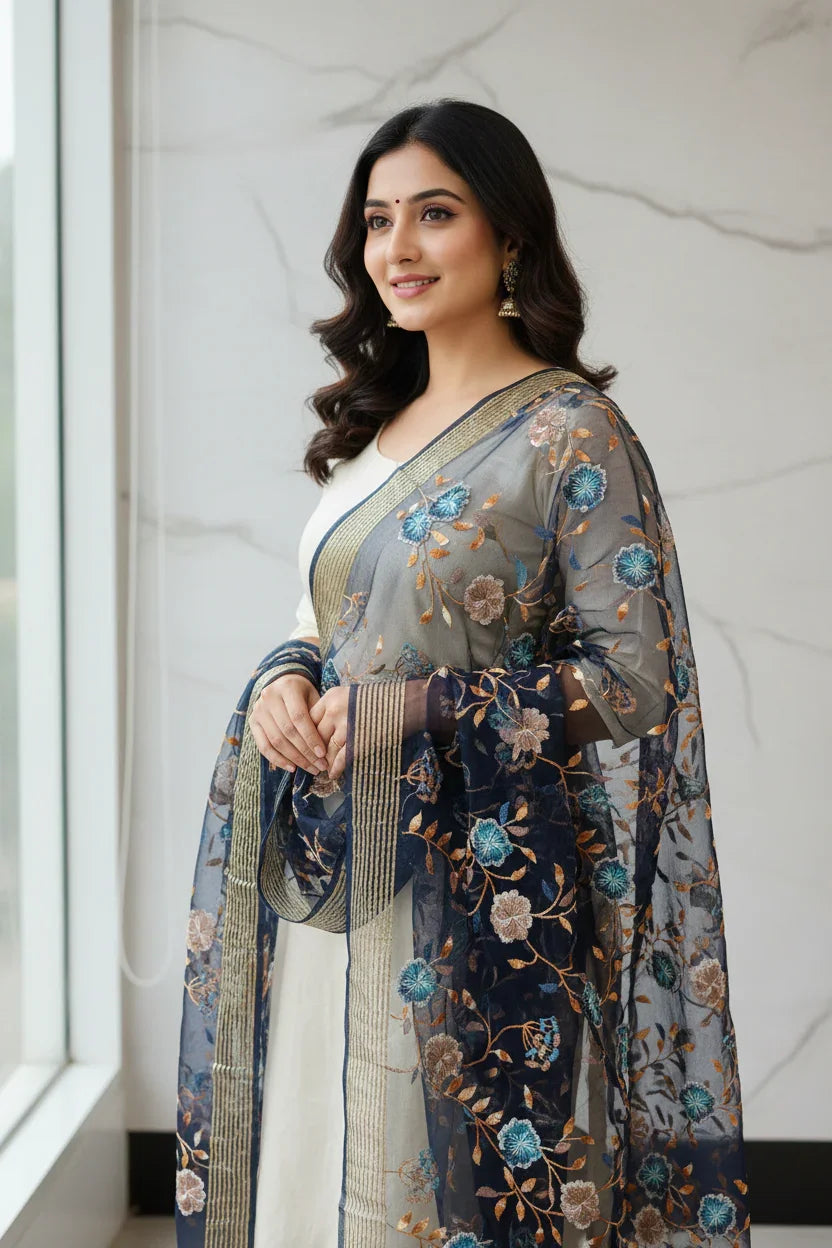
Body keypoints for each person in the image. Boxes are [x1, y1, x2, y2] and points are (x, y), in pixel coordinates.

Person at [175, 99, 750, 1248]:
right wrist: (286, 679)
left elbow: (636, 680)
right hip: (330, 865)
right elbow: (324, 617)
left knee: (449, 1197)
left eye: (433, 214)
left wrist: (420, 708)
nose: (396, 247)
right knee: (317, 1170)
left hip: (482, 892)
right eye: (378, 220)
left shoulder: (569, 432)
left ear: (510, 238)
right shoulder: (379, 425)